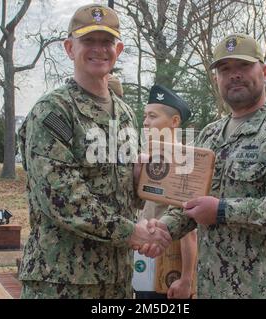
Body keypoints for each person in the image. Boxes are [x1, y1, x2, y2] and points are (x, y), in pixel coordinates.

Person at [143, 33, 266, 298]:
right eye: (225, 69)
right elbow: (188, 202)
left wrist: (224, 211)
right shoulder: (209, 136)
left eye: (243, 66)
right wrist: (164, 228)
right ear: (216, 80)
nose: (234, 75)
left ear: (264, 72)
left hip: (265, 289)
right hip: (212, 288)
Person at [17, 3, 171, 299]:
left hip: (117, 278)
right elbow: (63, 198)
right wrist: (133, 232)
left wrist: (142, 179)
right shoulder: (54, 111)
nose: (99, 49)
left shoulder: (124, 113)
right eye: (88, 40)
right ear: (69, 47)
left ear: (119, 49)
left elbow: (126, 191)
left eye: (107, 41)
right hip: (62, 280)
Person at [135, 84, 197, 299]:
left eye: (152, 116)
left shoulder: (183, 162)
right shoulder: (151, 158)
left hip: (169, 270)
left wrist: (187, 280)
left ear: (174, 121)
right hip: (144, 264)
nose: (145, 122)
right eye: (145, 116)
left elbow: (189, 231)